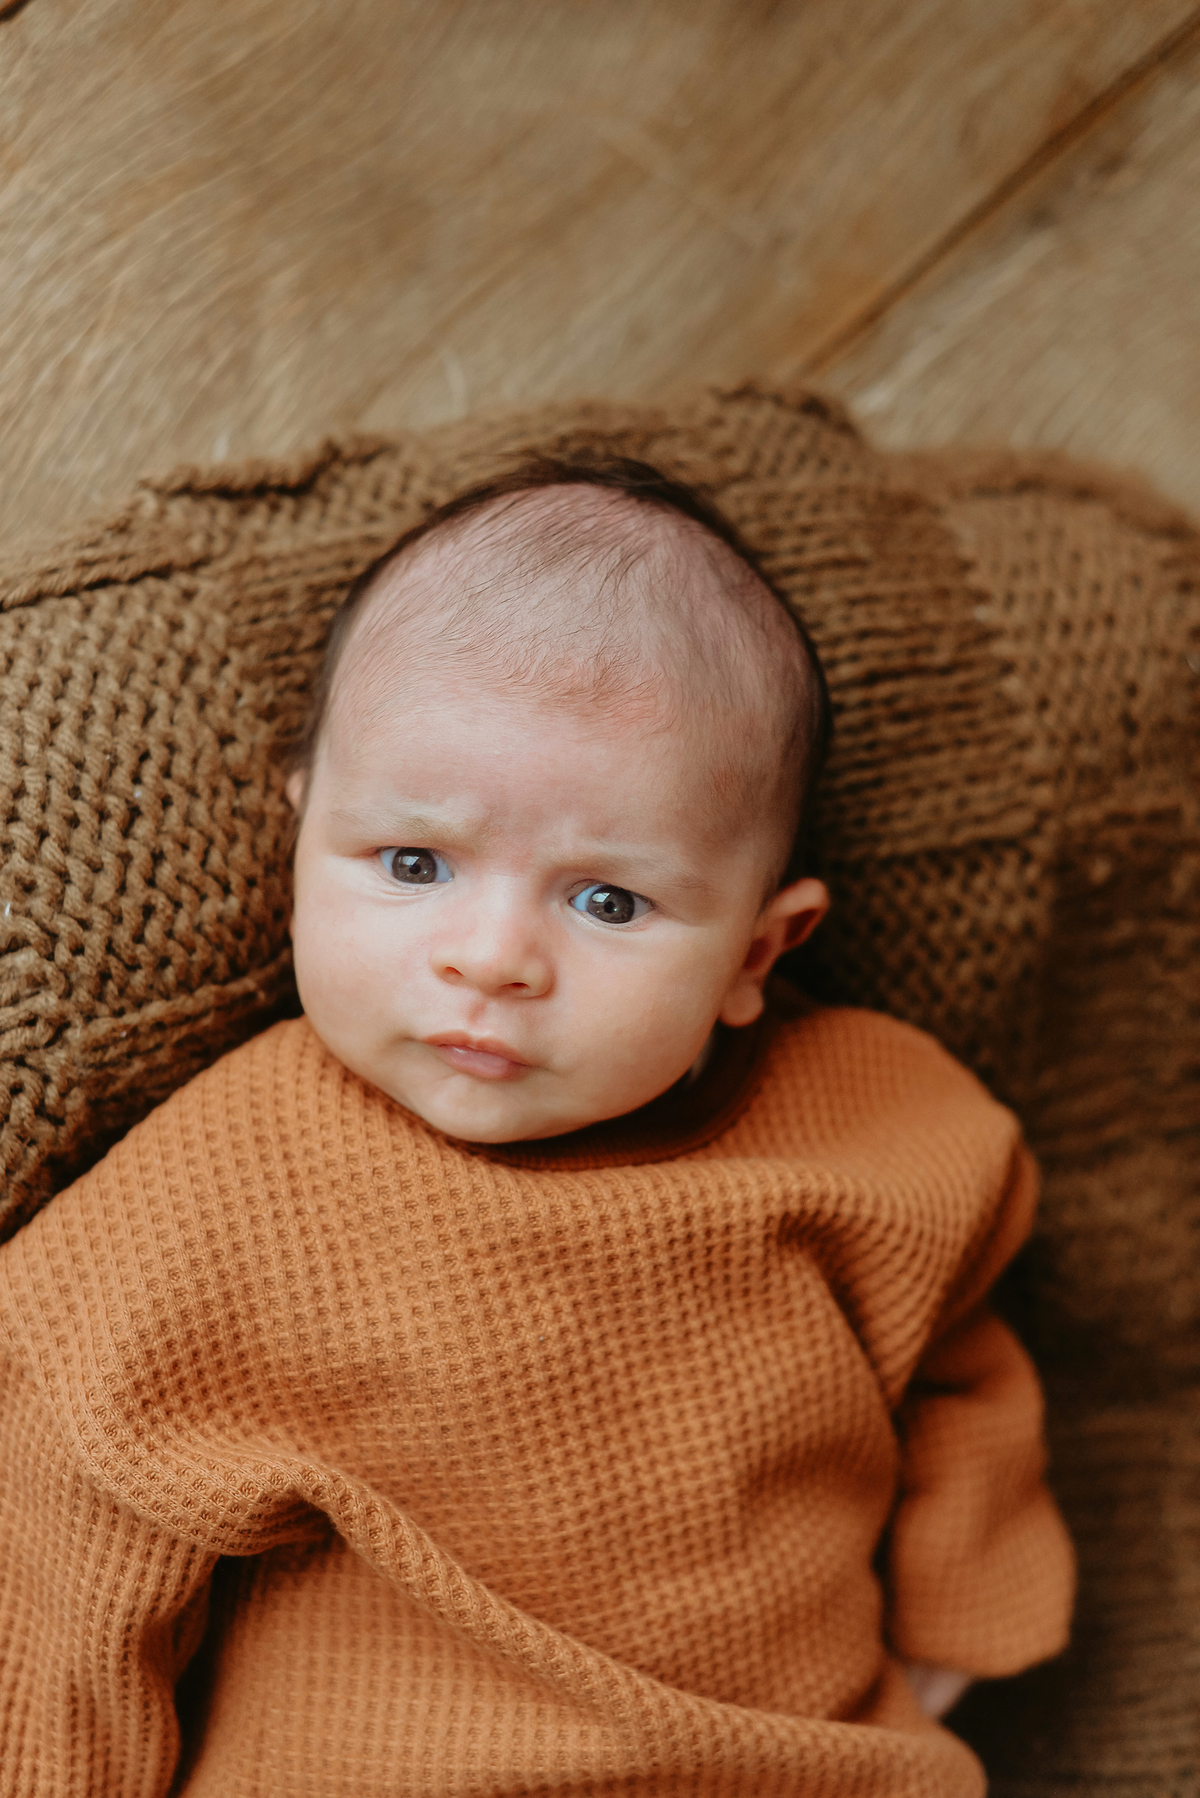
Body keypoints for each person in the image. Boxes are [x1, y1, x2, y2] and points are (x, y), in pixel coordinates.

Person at [0, 456, 1074, 1797]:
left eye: (608, 901)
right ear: (302, 840)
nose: (493, 957)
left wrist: (963, 1592)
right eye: (413, 863)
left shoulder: (882, 1125)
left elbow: (962, 1359)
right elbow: (58, 1539)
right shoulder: (210, 1201)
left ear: (757, 951)